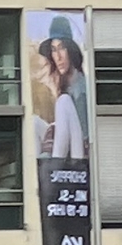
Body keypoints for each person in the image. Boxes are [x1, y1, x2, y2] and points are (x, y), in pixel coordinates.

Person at [33, 17, 89, 158]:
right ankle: (39, 169)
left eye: (62, 48)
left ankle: (56, 161)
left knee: (63, 101)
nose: (58, 57)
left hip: (80, 152)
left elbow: (85, 134)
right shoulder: (65, 83)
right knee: (34, 122)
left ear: (70, 50)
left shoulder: (80, 87)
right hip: (68, 144)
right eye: (53, 50)